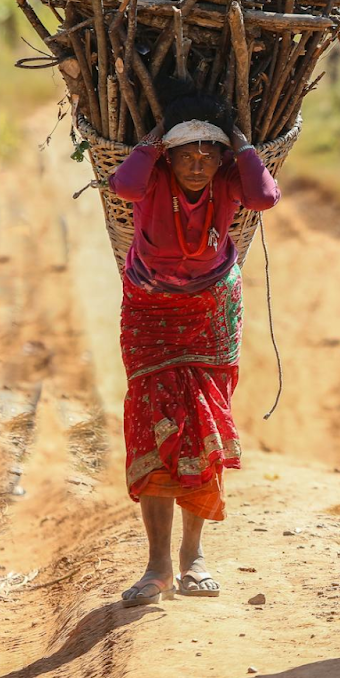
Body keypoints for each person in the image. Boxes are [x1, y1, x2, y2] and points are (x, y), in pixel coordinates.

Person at [107, 88, 279, 605]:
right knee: (154, 421)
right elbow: (123, 183)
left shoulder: (228, 179)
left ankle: (193, 557)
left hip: (211, 309)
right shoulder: (153, 178)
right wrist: (156, 140)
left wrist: (243, 146)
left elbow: (266, 197)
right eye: (188, 154)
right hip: (150, 308)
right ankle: (157, 566)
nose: (199, 164)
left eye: (209, 154)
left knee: (203, 422)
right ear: (170, 155)